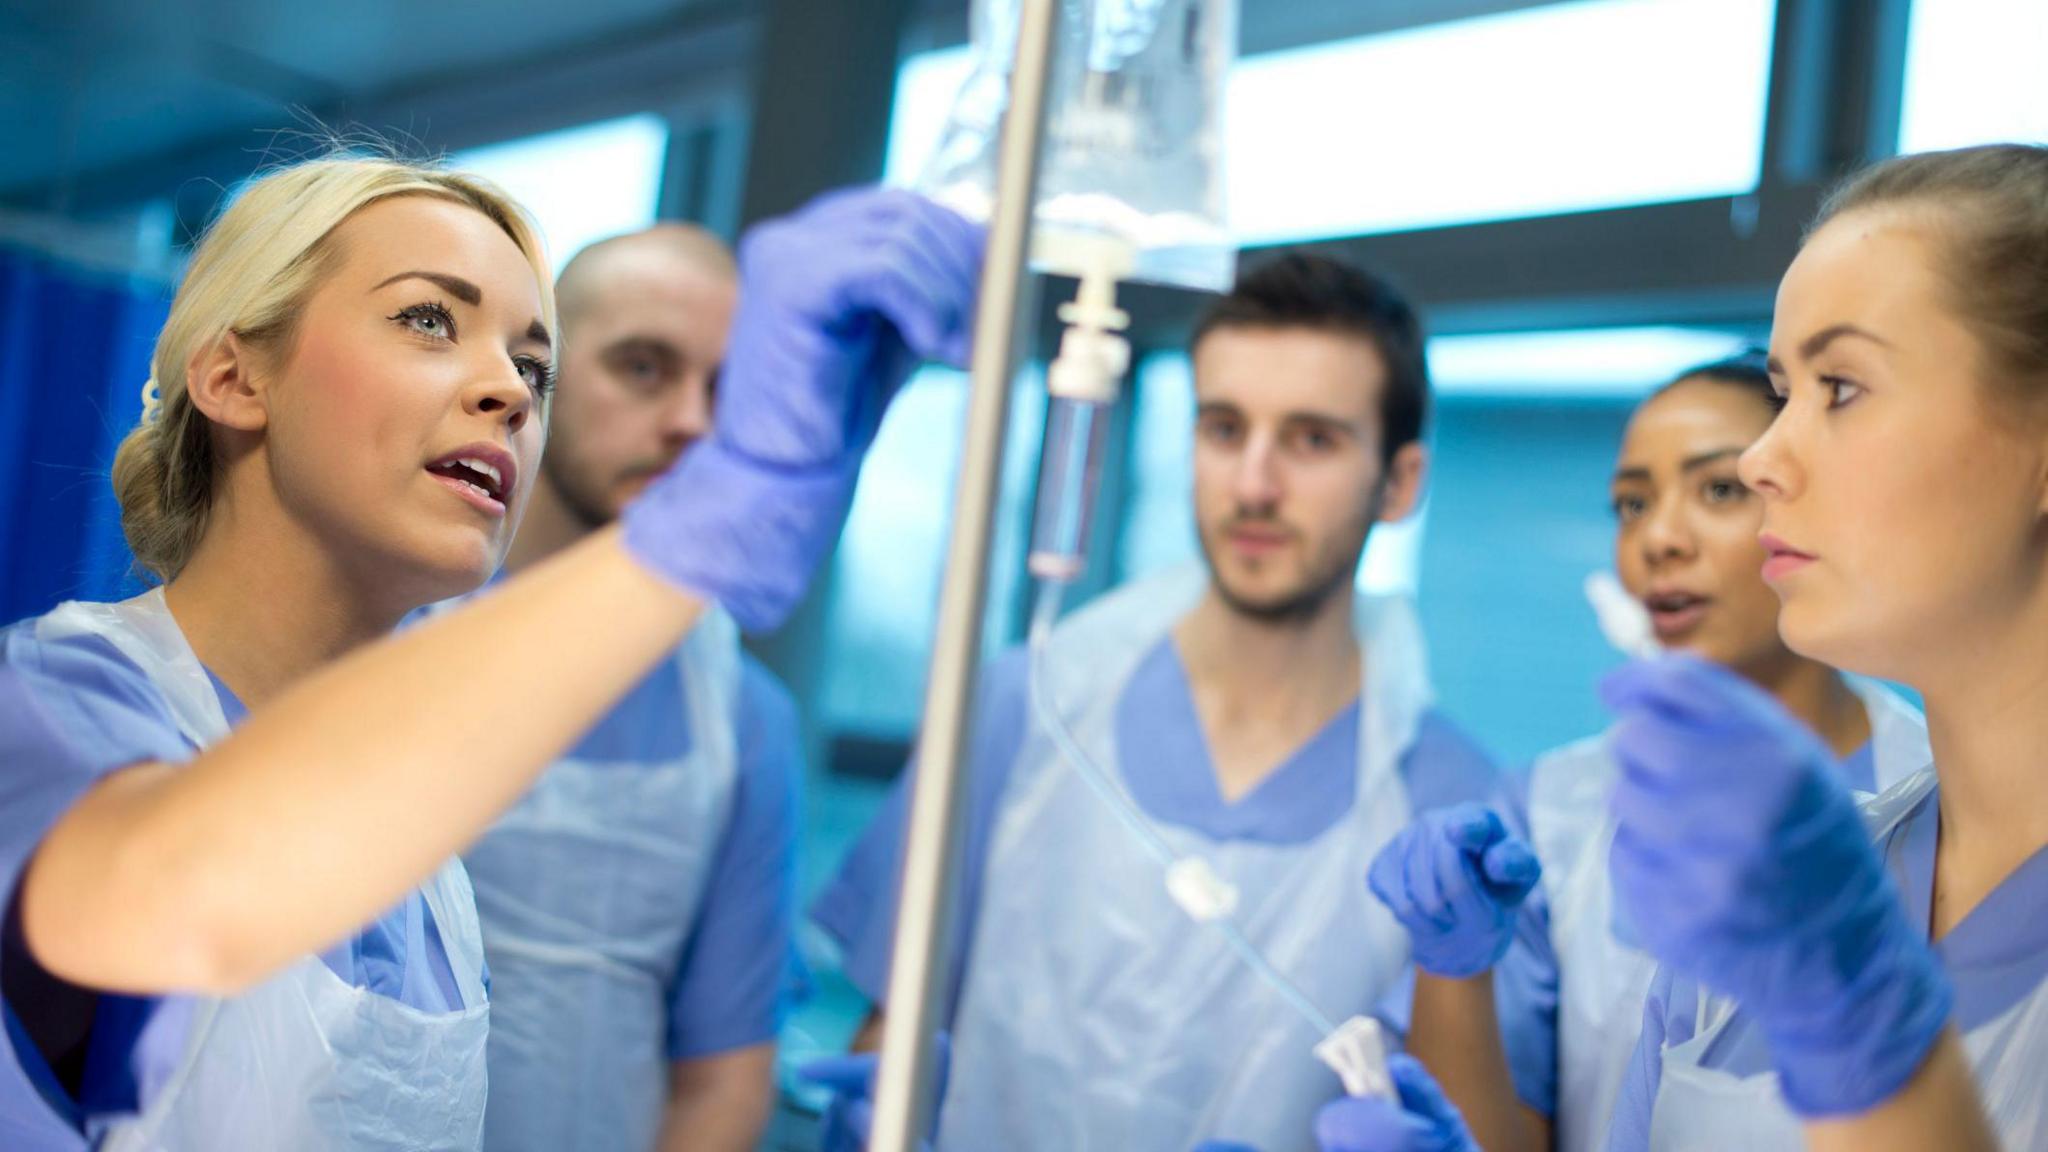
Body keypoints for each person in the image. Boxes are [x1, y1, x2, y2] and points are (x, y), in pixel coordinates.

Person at [0, 157, 982, 1150]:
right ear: (232, 375)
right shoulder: (50, 700)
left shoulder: (428, 876)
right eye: (428, 319)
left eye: (534, 368)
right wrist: (707, 524)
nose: (508, 392)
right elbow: (169, 889)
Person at [1316, 143, 2048, 1152]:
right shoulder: (1766, 901)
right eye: (1781, 390)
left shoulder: (1796, 902)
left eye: (1838, 387)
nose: (1761, 460)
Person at [807, 252, 1501, 1151]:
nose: (1253, 484)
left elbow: (1472, 1121)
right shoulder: (1031, 706)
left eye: (1311, 440)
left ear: (1400, 483)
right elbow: (890, 1031)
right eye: (1223, 428)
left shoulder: (1448, 802)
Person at [1363, 354, 1931, 1152]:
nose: (1658, 538)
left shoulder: (1948, 794)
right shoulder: (1551, 814)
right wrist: (1454, 970)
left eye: (1720, 489)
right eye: (1632, 503)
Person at [454, 225, 801, 1152]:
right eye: (645, 369)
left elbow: (723, 1077)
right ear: (537, 379)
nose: (692, 419)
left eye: (725, 390)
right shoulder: (388, 633)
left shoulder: (740, 714)